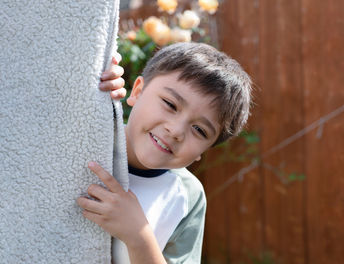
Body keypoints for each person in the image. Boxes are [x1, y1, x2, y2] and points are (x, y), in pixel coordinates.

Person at [77, 42, 252, 263]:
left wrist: (138, 236)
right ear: (138, 91)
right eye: (170, 104)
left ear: (204, 151)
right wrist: (90, 83)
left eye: (199, 130)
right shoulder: (84, 136)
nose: (176, 130)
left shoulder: (188, 196)